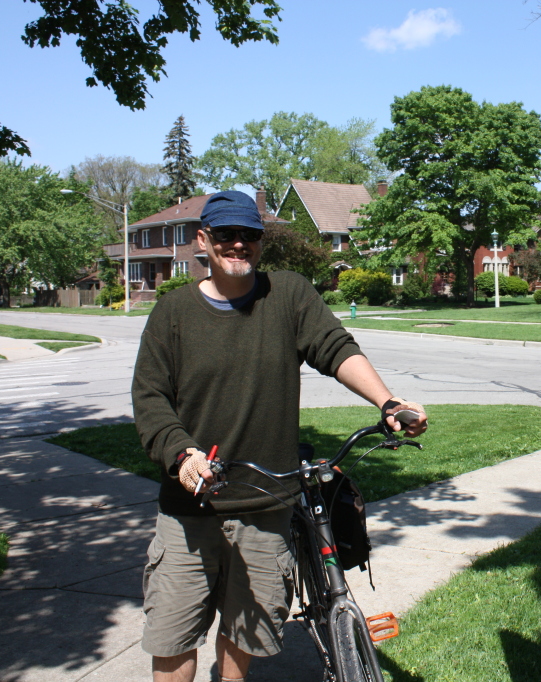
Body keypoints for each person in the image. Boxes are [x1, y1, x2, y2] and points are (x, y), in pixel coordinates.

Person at [131, 190, 427, 682]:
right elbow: (150, 399)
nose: (238, 245)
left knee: (244, 636)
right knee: (174, 637)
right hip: (191, 513)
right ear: (203, 240)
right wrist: (181, 454)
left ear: (260, 242)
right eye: (226, 235)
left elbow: (335, 348)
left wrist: (387, 402)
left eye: (249, 235)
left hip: (267, 509)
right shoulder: (173, 313)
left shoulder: (287, 295)